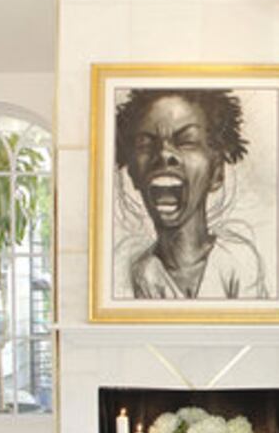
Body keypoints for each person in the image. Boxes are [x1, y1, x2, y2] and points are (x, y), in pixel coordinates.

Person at [114, 88, 268, 300]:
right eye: (146, 144)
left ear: (216, 172)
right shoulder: (139, 274)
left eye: (187, 141)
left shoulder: (238, 259)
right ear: (133, 173)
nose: (164, 154)